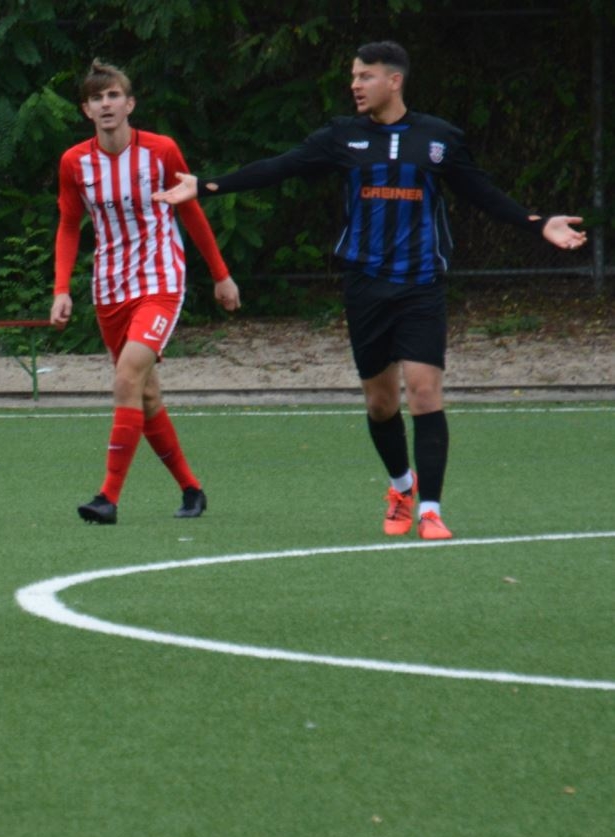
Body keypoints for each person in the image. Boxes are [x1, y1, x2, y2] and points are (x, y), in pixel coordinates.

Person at [155, 40, 588, 540]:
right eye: (354, 77)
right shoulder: (342, 136)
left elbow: (482, 192)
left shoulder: (438, 138)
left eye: (365, 76)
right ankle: (401, 487)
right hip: (365, 285)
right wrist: (207, 185)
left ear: (394, 81)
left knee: (424, 393)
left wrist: (538, 223)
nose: (355, 85)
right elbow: (282, 165)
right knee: (381, 405)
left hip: (421, 284)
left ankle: (430, 510)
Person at [51, 60, 241, 526]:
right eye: (97, 98)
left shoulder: (161, 151)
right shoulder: (75, 162)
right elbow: (69, 225)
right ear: (86, 110)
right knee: (147, 395)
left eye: (113, 96)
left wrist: (221, 275)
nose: (106, 104)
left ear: (129, 104)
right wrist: (61, 289)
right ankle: (191, 489)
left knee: (126, 378)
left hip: (160, 281)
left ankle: (107, 497)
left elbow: (191, 212)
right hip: (109, 288)